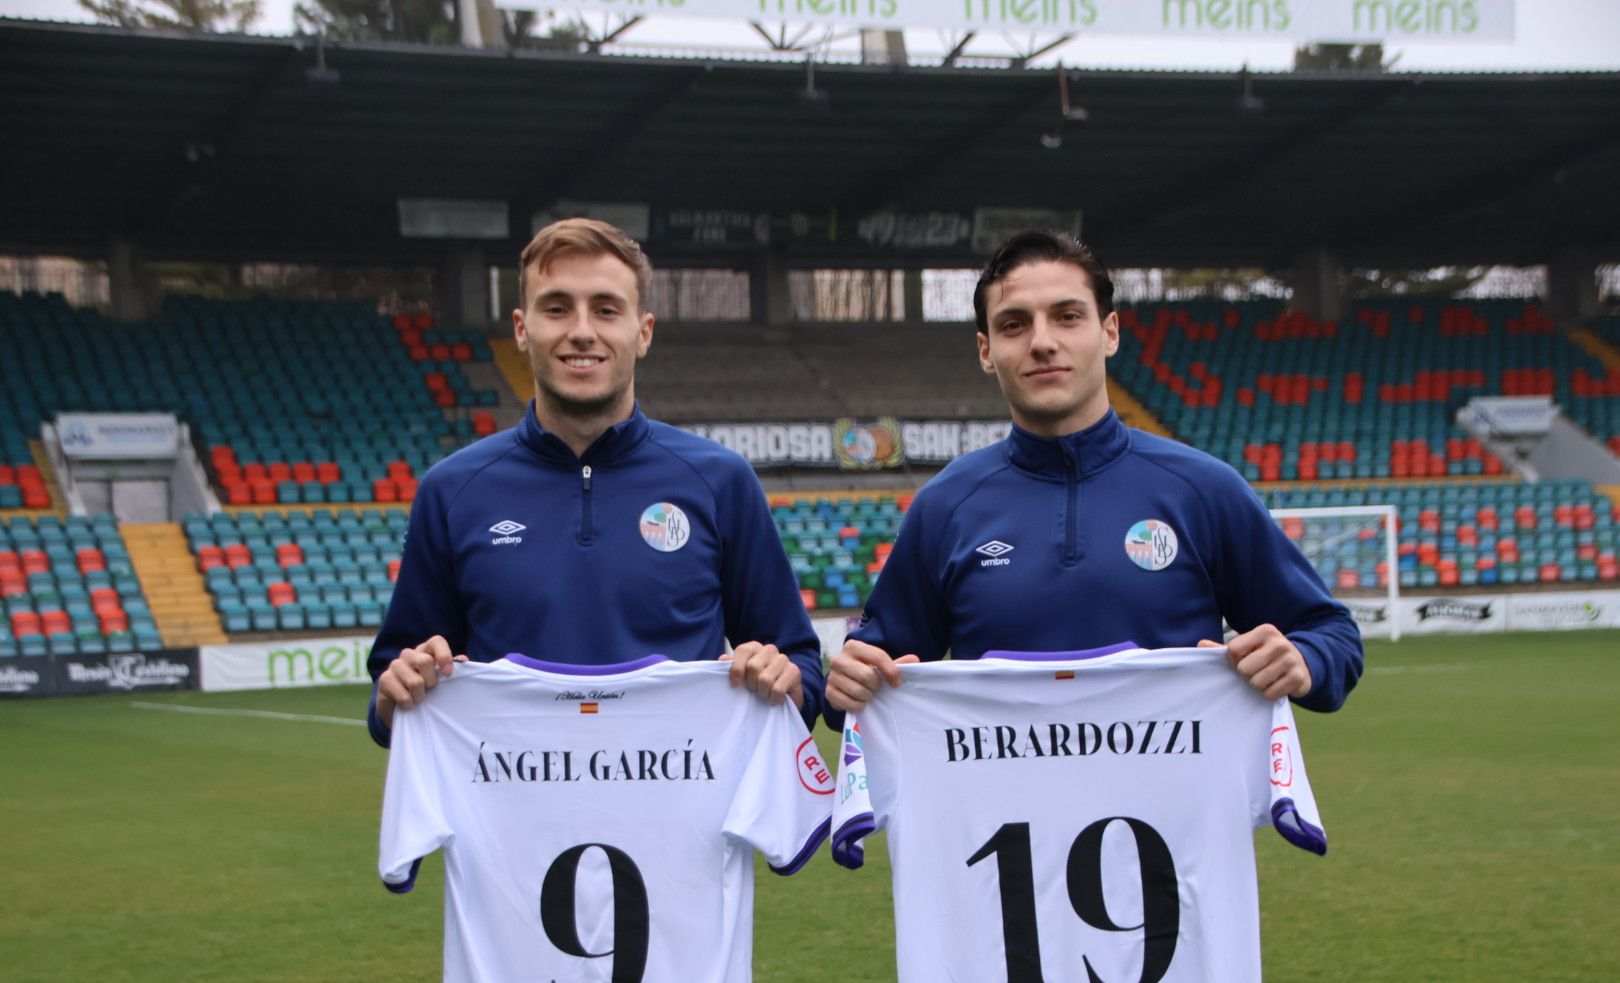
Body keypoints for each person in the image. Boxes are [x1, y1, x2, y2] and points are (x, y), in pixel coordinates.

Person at [825, 229, 1362, 722]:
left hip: (1175, 820)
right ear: (987, 351)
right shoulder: (947, 507)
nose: (1041, 341)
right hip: (1000, 821)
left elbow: (1332, 635)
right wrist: (848, 680)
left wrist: (1302, 659)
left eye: (1067, 316)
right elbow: (872, 668)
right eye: (1014, 324)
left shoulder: (1203, 490)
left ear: (1109, 333)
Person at [367, 218, 823, 746]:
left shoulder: (721, 481)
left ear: (643, 332)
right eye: (557, 307)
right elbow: (391, 692)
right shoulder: (452, 491)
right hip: (513, 822)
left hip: (681, 821)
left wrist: (785, 679)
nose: (582, 330)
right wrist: (394, 689)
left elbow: (803, 671)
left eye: (606, 309)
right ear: (521, 327)